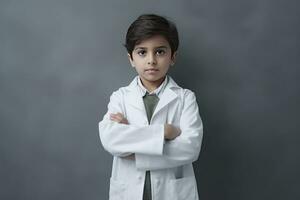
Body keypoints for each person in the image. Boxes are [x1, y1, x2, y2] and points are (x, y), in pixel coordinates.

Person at [98, 13, 203, 200]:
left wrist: (134, 147)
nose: (151, 60)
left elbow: (190, 147)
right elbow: (110, 139)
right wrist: (164, 132)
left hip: (172, 193)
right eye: (142, 52)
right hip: (128, 191)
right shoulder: (120, 97)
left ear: (173, 57)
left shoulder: (185, 98)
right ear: (131, 58)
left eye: (160, 52)